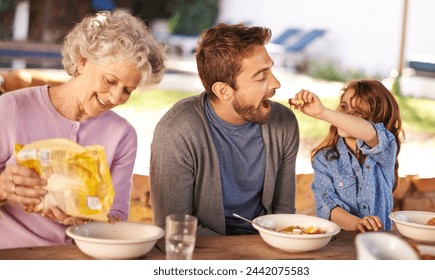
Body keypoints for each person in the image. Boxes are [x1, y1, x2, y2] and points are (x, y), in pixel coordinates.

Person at [0, 11, 166, 249]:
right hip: (11, 257)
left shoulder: (122, 135)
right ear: (82, 60)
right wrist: (3, 188)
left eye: (128, 90)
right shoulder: (13, 109)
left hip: (80, 259)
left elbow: (117, 215)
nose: (116, 97)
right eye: (110, 80)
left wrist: (89, 220)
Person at [150, 23, 299, 236]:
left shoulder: (284, 122)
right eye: (261, 76)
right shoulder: (176, 131)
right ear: (224, 90)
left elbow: (284, 213)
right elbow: (172, 228)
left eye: (271, 70)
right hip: (205, 255)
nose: (276, 84)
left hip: (268, 245)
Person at [289, 80, 404, 232]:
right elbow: (328, 204)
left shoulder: (385, 147)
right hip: (339, 245)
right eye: (343, 106)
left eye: (358, 112)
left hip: (379, 245)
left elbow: (369, 133)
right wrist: (358, 224)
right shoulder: (324, 159)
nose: (346, 114)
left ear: (376, 121)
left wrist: (323, 113)